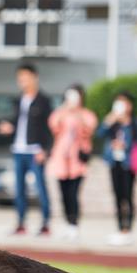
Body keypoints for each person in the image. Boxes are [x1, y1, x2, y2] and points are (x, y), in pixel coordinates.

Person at [0, 63, 53, 236]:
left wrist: (45, 149)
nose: (22, 82)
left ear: (34, 77)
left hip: (35, 150)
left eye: (25, 77)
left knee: (41, 188)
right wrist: (9, 127)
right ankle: (21, 223)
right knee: (19, 189)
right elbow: (16, 122)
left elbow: (48, 128)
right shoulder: (19, 99)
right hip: (19, 149)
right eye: (20, 78)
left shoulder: (44, 101)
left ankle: (45, 223)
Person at [97, 91, 137, 246]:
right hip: (114, 162)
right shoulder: (112, 121)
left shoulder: (136, 122)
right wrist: (108, 121)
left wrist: (125, 141)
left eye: (124, 102)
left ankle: (128, 230)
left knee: (128, 196)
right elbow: (99, 134)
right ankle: (120, 229)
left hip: (128, 163)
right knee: (118, 196)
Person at [47, 84, 97, 241]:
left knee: (74, 193)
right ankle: (67, 223)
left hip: (77, 161)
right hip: (61, 160)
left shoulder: (86, 114)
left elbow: (89, 129)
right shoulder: (61, 113)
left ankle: (74, 224)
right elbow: (53, 125)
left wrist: (78, 114)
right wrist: (64, 109)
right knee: (64, 194)